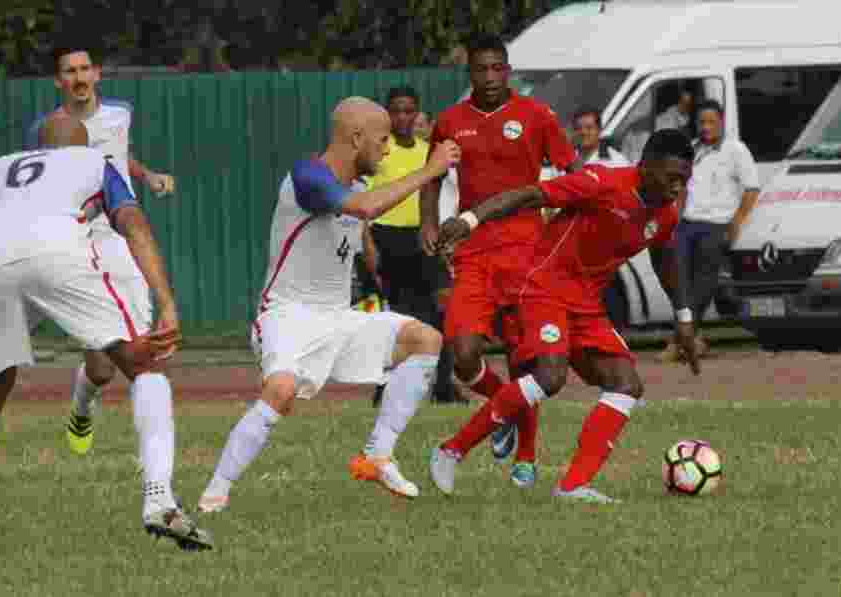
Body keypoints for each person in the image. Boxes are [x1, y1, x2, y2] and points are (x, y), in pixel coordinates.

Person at [0, 115, 212, 561]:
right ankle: (158, 498)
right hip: (59, 249)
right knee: (143, 364)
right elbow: (134, 225)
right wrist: (165, 301)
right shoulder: (95, 162)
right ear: (84, 142)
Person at [195, 98, 461, 513]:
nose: (388, 149)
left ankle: (377, 456)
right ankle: (215, 493)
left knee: (424, 338)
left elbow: (358, 230)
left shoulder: (357, 186)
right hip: (286, 315)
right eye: (382, 139)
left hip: (337, 317)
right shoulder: (308, 175)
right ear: (356, 139)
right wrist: (430, 168)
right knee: (280, 390)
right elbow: (366, 209)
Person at [429, 129, 701, 504]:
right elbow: (530, 194)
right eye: (670, 178)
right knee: (549, 376)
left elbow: (665, 257)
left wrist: (684, 318)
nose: (676, 188)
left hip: (587, 304)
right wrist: (470, 220)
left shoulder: (665, 214)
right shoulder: (602, 182)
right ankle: (450, 450)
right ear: (645, 166)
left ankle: (572, 487)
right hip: (543, 286)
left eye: (683, 181)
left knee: (626, 384)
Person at [419, 34, 582, 489]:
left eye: (498, 69)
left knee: (522, 361)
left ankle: (526, 457)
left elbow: (571, 176)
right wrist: (428, 223)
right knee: (464, 355)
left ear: (508, 70)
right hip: (472, 251)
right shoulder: (451, 121)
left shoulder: (537, 116)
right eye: (481, 70)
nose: (490, 78)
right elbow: (432, 177)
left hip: (527, 253)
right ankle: (502, 412)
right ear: (469, 73)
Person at [25, 43, 177, 456]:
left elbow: (120, 157)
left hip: (120, 236)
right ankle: (81, 406)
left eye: (85, 68)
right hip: (76, 239)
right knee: (101, 365)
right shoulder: (48, 129)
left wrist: (146, 175)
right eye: (70, 71)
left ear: (97, 75)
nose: (79, 77)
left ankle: (156, 459)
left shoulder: (120, 114)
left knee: (145, 347)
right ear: (59, 81)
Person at [362, 87, 457, 406]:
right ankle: (384, 387)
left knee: (441, 312)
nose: (403, 117)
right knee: (395, 319)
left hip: (424, 238)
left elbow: (441, 197)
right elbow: (364, 204)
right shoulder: (379, 151)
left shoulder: (429, 151)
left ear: (418, 114)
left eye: (409, 111)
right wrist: (369, 246)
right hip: (387, 238)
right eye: (396, 111)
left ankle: (444, 386)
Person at [661, 99, 760, 361]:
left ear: (721, 122)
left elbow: (751, 188)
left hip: (716, 226)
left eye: (711, 122)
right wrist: (675, 219)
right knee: (680, 283)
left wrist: (737, 222)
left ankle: (677, 342)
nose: (706, 127)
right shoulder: (692, 149)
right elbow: (681, 189)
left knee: (703, 285)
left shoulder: (735, 150)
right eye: (701, 122)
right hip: (687, 225)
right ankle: (692, 340)